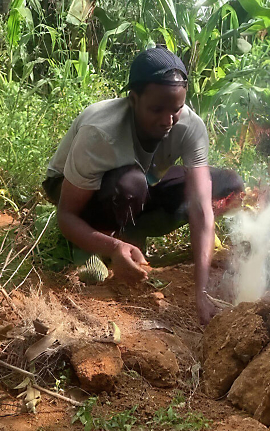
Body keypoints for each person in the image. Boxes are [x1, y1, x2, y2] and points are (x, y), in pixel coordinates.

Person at [41, 46, 243, 324]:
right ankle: (98, 243)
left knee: (225, 184)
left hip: (142, 178)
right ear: (133, 99)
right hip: (74, 189)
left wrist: (203, 291)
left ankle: (130, 233)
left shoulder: (189, 125)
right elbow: (66, 215)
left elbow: (199, 206)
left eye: (176, 109)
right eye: (156, 109)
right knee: (130, 185)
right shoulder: (101, 132)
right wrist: (112, 247)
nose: (168, 120)